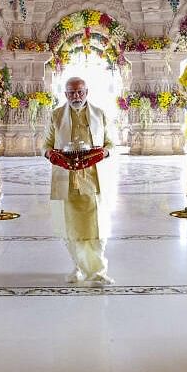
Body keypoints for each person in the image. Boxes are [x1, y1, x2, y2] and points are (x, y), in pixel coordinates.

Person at [45, 77, 114, 286]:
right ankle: (79, 267)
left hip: (92, 178)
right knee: (71, 227)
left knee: (96, 226)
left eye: (80, 92)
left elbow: (110, 143)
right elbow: (46, 145)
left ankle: (98, 270)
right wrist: (51, 154)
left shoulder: (99, 114)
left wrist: (104, 152)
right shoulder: (56, 116)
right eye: (71, 92)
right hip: (66, 178)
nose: (76, 96)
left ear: (87, 92)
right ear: (65, 94)